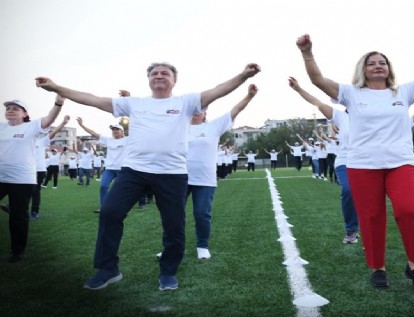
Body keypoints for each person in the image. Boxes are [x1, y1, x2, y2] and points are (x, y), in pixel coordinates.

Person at [36, 62, 260, 291]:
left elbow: (218, 90)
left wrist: (243, 75)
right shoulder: (135, 104)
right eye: (154, 73)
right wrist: (57, 88)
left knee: (174, 225)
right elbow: (92, 98)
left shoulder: (186, 102)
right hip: (134, 171)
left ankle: (168, 271)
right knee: (110, 212)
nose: (159, 76)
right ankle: (108, 269)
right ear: (148, 80)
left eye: (165, 73)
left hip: (172, 173)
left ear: (174, 80)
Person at [296, 23, 414, 292]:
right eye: (372, 63)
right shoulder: (351, 93)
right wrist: (307, 53)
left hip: (400, 163)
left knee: (408, 210)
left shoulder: (405, 91)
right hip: (362, 165)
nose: (378, 66)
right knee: (372, 216)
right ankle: (378, 268)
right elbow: (318, 80)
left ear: (389, 69)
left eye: (383, 63)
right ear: (363, 70)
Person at [174, 84, 258, 260]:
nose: (197, 112)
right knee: (173, 213)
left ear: (205, 113)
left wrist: (249, 96)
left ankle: (202, 246)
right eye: (194, 109)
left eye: (201, 109)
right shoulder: (178, 127)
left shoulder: (213, 126)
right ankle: (172, 247)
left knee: (202, 213)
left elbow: (235, 110)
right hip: (179, 178)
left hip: (205, 180)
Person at [288, 76, 360, 244]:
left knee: (370, 197)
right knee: (348, 190)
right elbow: (317, 102)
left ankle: (371, 231)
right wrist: (299, 89)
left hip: (367, 161)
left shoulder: (372, 115)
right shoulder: (341, 117)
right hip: (345, 160)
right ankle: (351, 230)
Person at [0, 95, 64, 262]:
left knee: (18, 216)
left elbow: (50, 118)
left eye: (16, 108)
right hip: (1, 177)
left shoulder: (31, 127)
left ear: (24, 113)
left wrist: (59, 102)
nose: (10, 111)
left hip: (22, 180)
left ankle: (18, 252)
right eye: (8, 108)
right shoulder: (1, 127)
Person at [76, 117, 128, 214]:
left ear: (122, 132)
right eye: (113, 130)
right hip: (109, 169)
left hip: (122, 170)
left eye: (117, 129)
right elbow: (94, 133)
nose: (114, 131)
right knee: (103, 186)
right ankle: (103, 207)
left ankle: (122, 207)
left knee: (120, 189)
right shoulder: (108, 140)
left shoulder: (127, 140)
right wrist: (82, 125)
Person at [32, 115, 70, 219]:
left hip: (38, 170)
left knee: (35, 191)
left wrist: (63, 123)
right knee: (21, 190)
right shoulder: (22, 140)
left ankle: (34, 212)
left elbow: (54, 132)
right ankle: (15, 207)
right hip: (25, 169)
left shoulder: (41, 141)